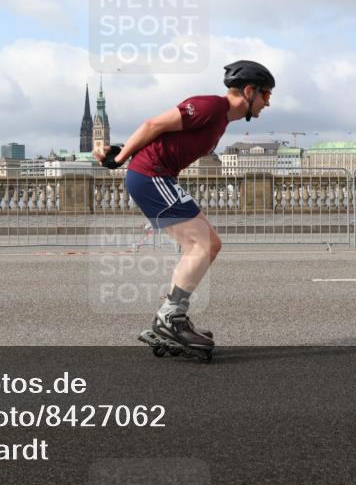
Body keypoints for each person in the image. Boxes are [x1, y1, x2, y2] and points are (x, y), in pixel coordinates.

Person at [94, 60, 275, 355]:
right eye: (266, 95)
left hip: (157, 175)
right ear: (249, 90)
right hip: (151, 175)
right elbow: (154, 124)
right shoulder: (210, 107)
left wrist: (120, 150)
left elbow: (164, 138)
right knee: (201, 245)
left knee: (209, 244)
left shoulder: (222, 119)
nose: (268, 103)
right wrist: (119, 157)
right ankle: (171, 317)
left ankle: (172, 314)